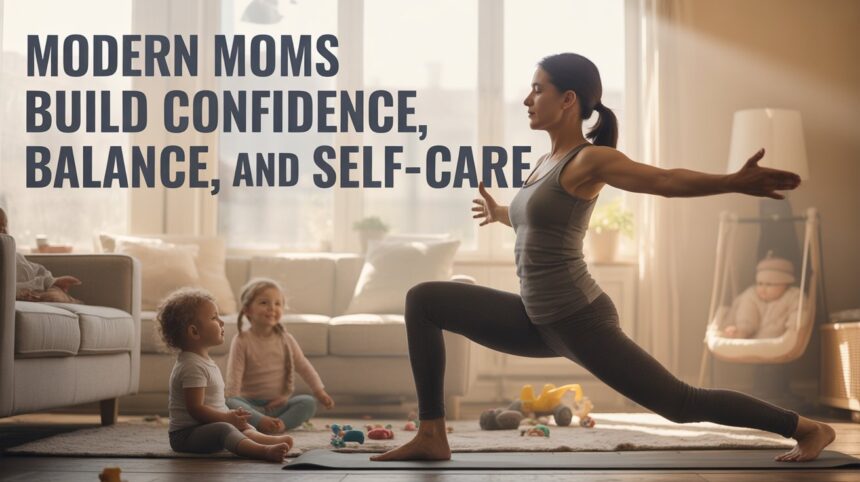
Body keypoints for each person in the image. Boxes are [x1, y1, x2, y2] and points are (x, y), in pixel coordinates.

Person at [371, 53, 834, 463]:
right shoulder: (546, 162)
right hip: (536, 317)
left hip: (578, 318)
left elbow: (665, 181)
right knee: (424, 300)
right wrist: (501, 214)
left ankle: (806, 428)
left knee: (681, 404)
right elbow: (544, 224)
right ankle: (432, 434)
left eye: (537, 89)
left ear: (568, 99)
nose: (527, 99)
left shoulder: (590, 160)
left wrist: (731, 181)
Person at [158, 288, 293, 462]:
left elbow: (213, 404)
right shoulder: (191, 366)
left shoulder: (202, 361)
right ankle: (262, 450)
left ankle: (266, 440)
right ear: (194, 332)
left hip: (207, 427)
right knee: (225, 428)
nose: (221, 322)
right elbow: (196, 409)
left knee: (241, 425)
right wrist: (226, 418)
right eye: (214, 318)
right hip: (186, 436)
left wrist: (231, 415)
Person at [225, 278, 335, 434]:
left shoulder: (286, 339)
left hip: (278, 406)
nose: (272, 308)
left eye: (277, 303)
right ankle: (261, 421)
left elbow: (304, 366)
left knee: (308, 402)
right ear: (247, 309)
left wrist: (319, 391)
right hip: (250, 406)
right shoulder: (242, 340)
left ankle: (279, 424)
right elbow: (234, 377)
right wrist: (234, 403)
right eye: (264, 302)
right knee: (230, 402)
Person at [0, 207, 81, 303]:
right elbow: (6, 288)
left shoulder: (17, 257)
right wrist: (44, 282)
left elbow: (38, 270)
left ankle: (74, 302)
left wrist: (53, 281)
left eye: (5, 226)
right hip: (22, 295)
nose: (3, 230)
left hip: (38, 290)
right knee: (52, 295)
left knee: (56, 293)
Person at [722, 254, 800, 339]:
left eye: (769, 284)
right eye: (760, 283)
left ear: (785, 285)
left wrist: (795, 327)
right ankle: (741, 332)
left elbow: (798, 314)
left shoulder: (793, 296)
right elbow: (745, 314)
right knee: (747, 306)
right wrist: (742, 329)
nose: (763, 288)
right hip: (749, 336)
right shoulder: (752, 295)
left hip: (777, 338)